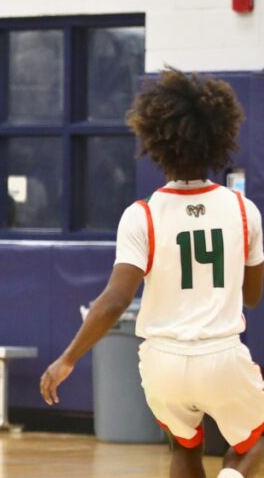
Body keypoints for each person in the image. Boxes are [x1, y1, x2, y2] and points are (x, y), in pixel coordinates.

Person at [40, 68, 264, 478]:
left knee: (185, 445)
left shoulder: (141, 214)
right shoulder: (243, 210)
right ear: (219, 139)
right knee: (254, 440)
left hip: (161, 362)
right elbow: (251, 297)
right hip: (220, 355)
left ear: (156, 143)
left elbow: (115, 301)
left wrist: (67, 358)